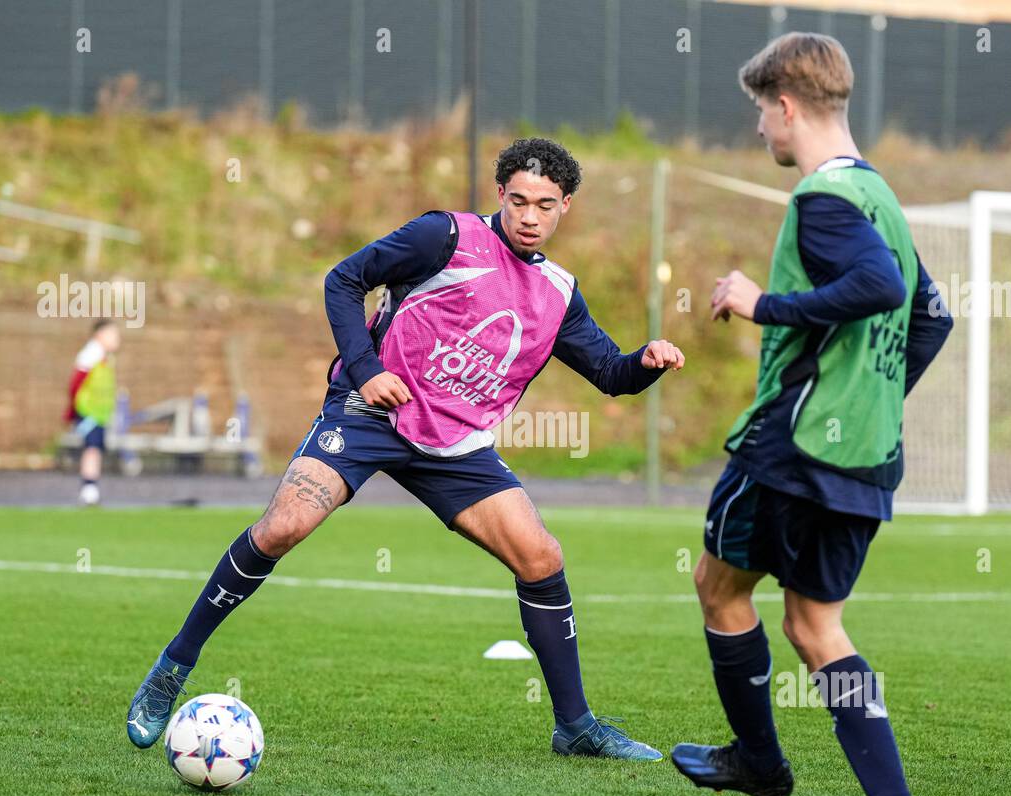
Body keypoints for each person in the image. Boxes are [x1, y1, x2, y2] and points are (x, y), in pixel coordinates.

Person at [127, 137, 685, 761]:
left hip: (455, 443)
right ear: (500, 194)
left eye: (545, 205)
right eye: (519, 200)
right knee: (283, 526)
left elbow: (610, 373)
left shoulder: (558, 293)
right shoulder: (443, 237)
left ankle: (575, 727)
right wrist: (365, 370)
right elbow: (343, 280)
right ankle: (174, 666)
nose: (530, 216)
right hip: (371, 411)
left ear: (565, 208)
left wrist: (647, 361)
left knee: (540, 555)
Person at [670, 33, 954, 796]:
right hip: (865, 456)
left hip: (795, 450)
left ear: (786, 106)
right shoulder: (884, 198)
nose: (761, 129)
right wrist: (873, 398)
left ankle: (759, 760)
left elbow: (880, 288)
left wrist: (761, 304)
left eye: (762, 113)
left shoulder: (821, 200)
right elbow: (932, 315)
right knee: (814, 625)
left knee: (719, 586)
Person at [64, 319, 120, 506]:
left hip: (100, 413)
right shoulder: (91, 353)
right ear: (100, 334)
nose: (117, 338)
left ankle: (92, 487)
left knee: (96, 449)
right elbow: (76, 382)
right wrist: (72, 409)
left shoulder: (106, 356)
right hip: (88, 411)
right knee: (91, 448)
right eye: (113, 334)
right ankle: (89, 488)